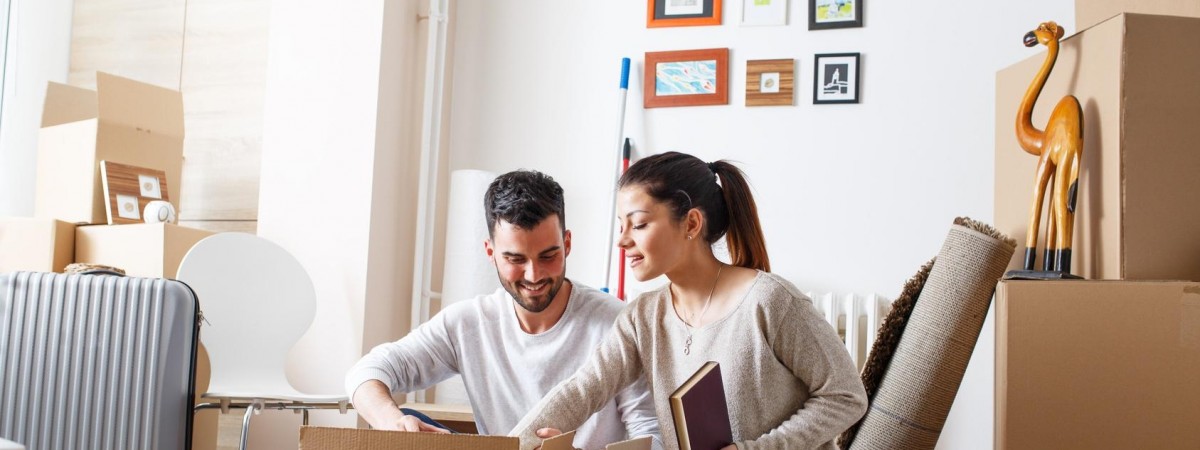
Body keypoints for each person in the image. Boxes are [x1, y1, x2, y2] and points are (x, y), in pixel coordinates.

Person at [510, 152, 867, 450]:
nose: (622, 240)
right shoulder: (643, 317)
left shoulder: (770, 302)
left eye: (638, 224)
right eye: (621, 225)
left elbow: (846, 396)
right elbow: (582, 390)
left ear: (692, 223)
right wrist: (509, 445)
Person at [345, 170, 662, 449]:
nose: (534, 275)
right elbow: (366, 372)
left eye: (548, 255)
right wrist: (391, 421)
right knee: (407, 419)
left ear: (567, 243)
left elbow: (653, 438)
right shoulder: (468, 323)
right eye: (515, 259)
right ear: (490, 252)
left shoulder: (620, 323)